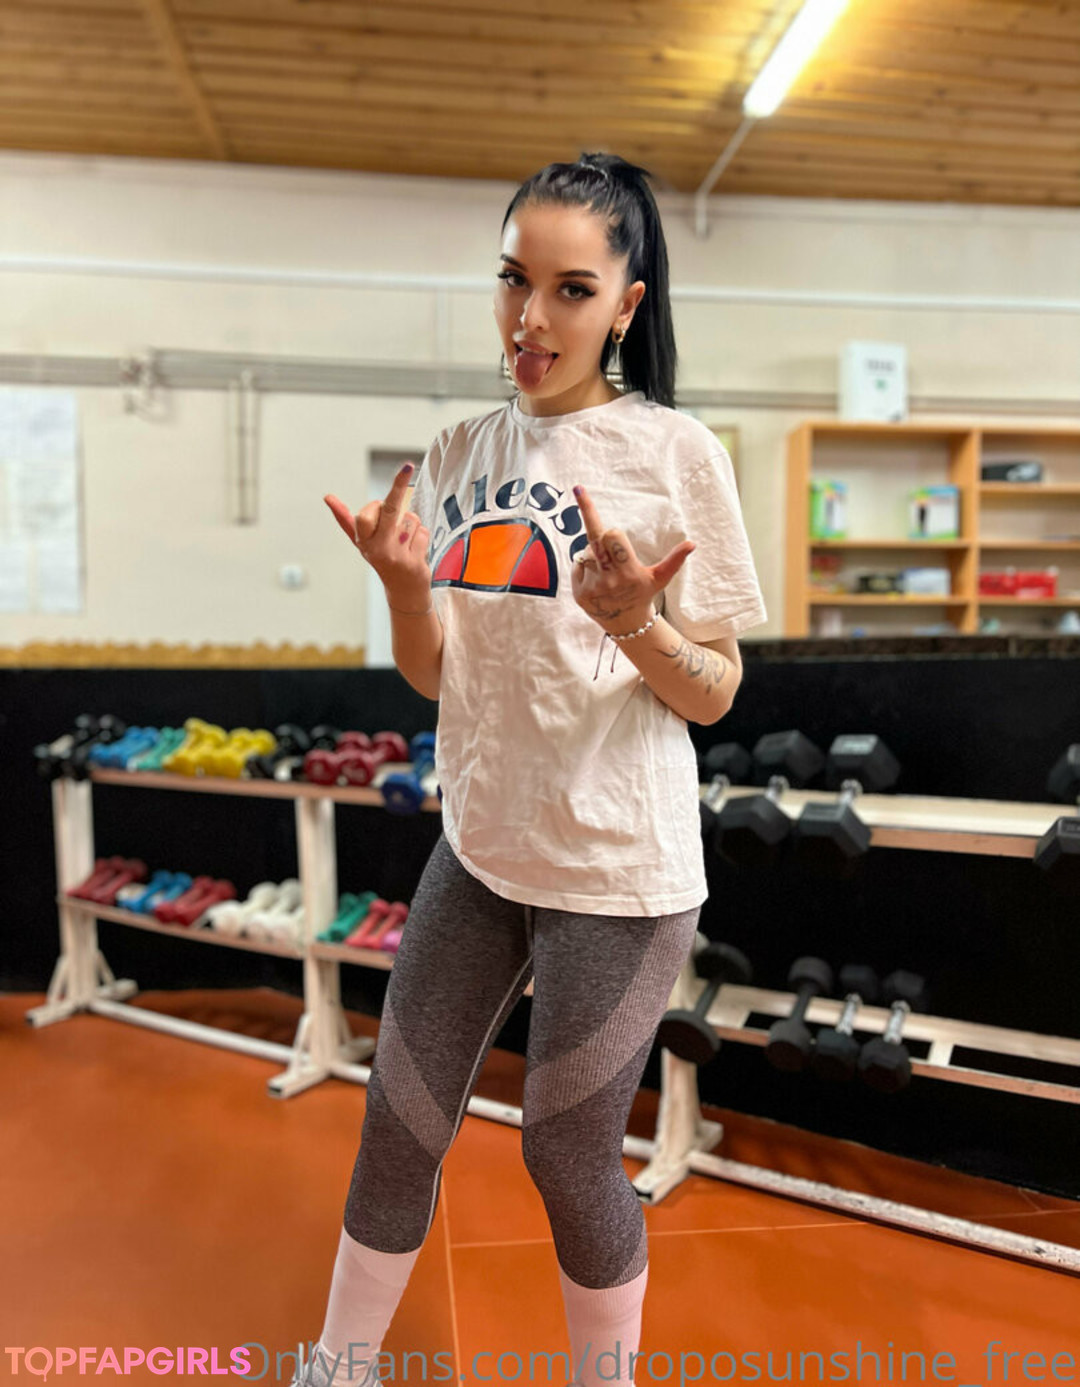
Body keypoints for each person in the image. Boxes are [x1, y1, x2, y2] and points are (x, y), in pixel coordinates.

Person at [306, 152, 767, 1387]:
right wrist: (406, 589)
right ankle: (337, 1365)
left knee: (565, 1156)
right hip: (480, 847)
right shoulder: (461, 448)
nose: (531, 317)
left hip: (617, 873)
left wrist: (635, 623)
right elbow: (436, 674)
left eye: (571, 290)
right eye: (514, 280)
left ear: (626, 304)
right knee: (397, 1121)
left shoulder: (675, 453)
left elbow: (715, 690)